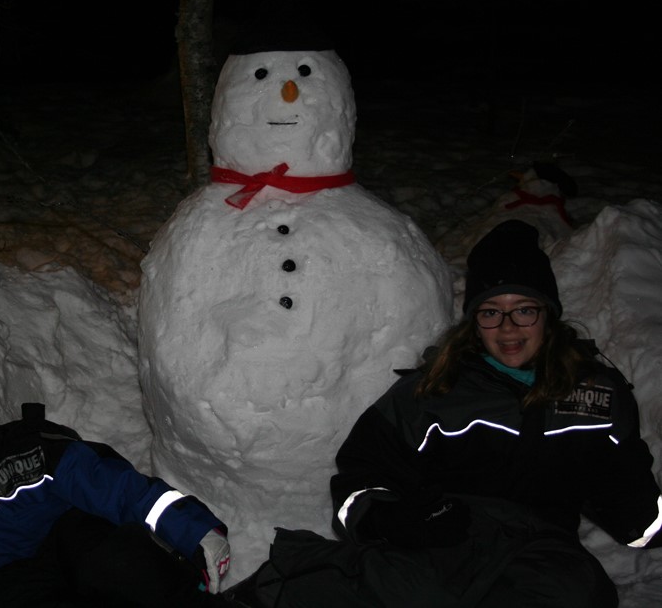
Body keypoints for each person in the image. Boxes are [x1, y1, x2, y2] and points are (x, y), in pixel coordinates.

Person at [227, 220, 662, 608]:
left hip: (541, 555)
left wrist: (648, 519)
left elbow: (634, 509)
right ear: (473, 321)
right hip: (444, 542)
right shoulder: (432, 390)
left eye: (524, 310)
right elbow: (359, 477)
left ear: (548, 315)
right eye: (491, 312)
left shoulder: (595, 396)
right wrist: (388, 518)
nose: (508, 328)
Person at [0, 317, 236, 607]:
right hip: (20, 570)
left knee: (112, 559)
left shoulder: (26, 448)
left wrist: (190, 529)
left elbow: (112, 486)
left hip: (73, 535)